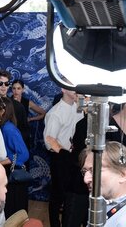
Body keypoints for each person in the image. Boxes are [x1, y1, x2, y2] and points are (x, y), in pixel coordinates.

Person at [43, 87, 81, 227]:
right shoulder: (55, 113)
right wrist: (66, 155)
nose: (76, 89)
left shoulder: (78, 107)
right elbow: (49, 141)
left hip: (76, 158)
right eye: (71, 86)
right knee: (58, 195)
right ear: (63, 89)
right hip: (61, 159)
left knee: (71, 196)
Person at [0, 96, 30, 218]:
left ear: (2, 111)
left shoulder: (8, 129)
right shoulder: (1, 127)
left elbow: (24, 154)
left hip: (13, 180)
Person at [0, 70, 30, 150]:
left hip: (11, 154)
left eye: (6, 84)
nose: (4, 86)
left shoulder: (18, 106)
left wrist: (16, 155)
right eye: (0, 83)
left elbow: (24, 132)